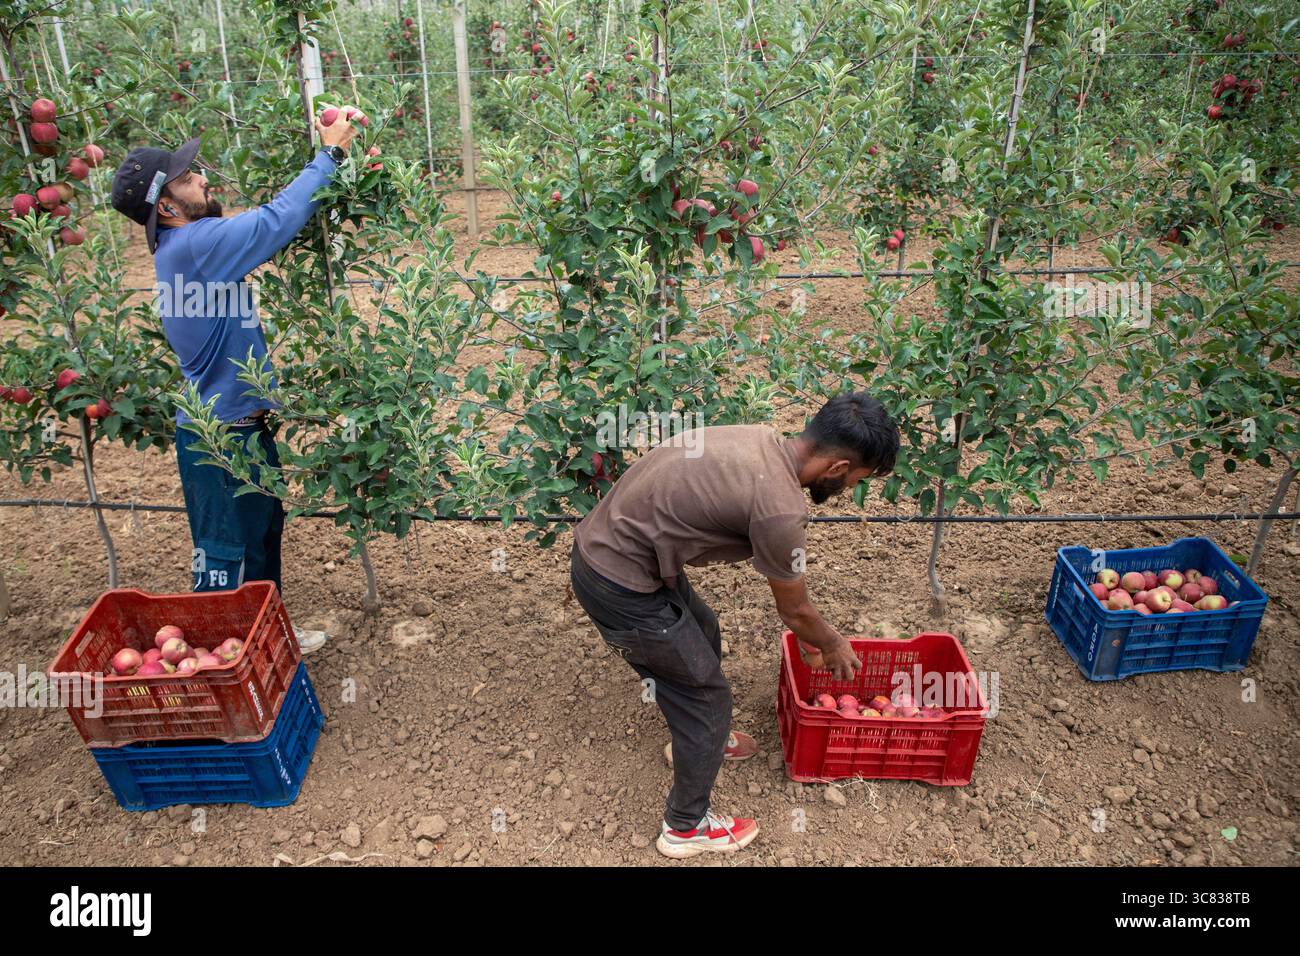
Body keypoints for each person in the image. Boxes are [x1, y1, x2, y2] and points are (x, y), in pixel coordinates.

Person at [570, 392, 900, 858]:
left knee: (702, 630)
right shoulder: (781, 508)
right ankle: (685, 827)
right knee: (706, 698)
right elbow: (795, 610)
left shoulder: (761, 439)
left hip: (619, 553)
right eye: (856, 480)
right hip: (619, 584)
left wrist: (811, 638)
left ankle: (703, 742)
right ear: (838, 468)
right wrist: (831, 642)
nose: (848, 490)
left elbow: (795, 612)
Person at [109, 110, 361, 651]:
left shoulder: (189, 247)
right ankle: (218, 670)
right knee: (225, 560)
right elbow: (274, 221)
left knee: (262, 542)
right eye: (186, 177)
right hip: (218, 438)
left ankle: (267, 646)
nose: (202, 177)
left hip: (242, 427)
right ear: (167, 206)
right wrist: (331, 154)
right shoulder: (193, 246)